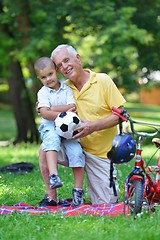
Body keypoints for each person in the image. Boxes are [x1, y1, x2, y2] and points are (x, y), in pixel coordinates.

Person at [39, 45, 126, 207]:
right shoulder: (62, 88)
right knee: (46, 149)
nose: (64, 67)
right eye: (59, 65)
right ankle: (51, 197)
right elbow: (44, 107)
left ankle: (92, 187)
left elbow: (120, 115)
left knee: (105, 203)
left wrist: (92, 126)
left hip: (100, 155)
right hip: (73, 145)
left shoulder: (102, 80)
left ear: (78, 58)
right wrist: (44, 109)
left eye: (66, 60)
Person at [34, 57, 85, 206]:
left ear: (56, 71)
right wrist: (62, 111)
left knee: (76, 152)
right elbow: (44, 114)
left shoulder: (67, 89)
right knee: (52, 141)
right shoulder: (42, 93)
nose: (48, 79)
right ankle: (54, 176)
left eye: (50, 74)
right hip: (50, 126)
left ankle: (78, 191)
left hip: (68, 127)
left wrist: (51, 109)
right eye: (43, 77)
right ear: (39, 78)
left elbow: (72, 107)